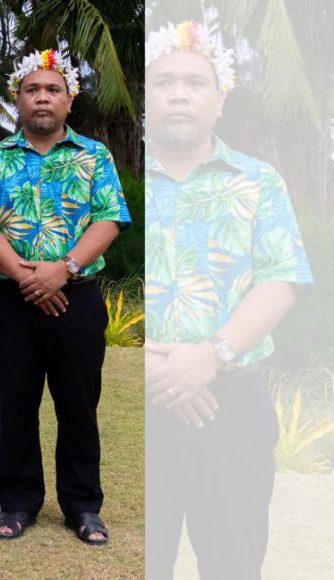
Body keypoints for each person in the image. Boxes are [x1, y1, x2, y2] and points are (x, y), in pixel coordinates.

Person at [144, 20, 312, 578]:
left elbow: (281, 278)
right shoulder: (118, 184)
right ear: (148, 98)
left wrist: (209, 355)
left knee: (233, 563)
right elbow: (85, 278)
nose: (179, 93)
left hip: (231, 403)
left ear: (219, 100)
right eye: (164, 81)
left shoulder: (258, 181)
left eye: (195, 82)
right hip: (137, 401)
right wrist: (144, 361)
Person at [0, 47, 131, 545]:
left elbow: (109, 218)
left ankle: (82, 506)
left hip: (77, 297)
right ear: (17, 99)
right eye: (32, 89)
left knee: (79, 404)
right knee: (16, 403)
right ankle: (17, 502)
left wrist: (64, 268)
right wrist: (26, 277)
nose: (42, 98)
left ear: (68, 101)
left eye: (53, 89)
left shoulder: (93, 156)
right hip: (11, 301)